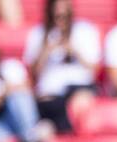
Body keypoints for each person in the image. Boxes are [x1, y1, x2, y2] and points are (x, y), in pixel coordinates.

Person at [24, 0, 100, 133]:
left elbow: (94, 69)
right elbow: (33, 73)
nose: (60, 18)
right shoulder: (39, 33)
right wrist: (46, 51)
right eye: (57, 15)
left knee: (80, 104)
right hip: (52, 93)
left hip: (79, 86)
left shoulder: (85, 30)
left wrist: (74, 50)